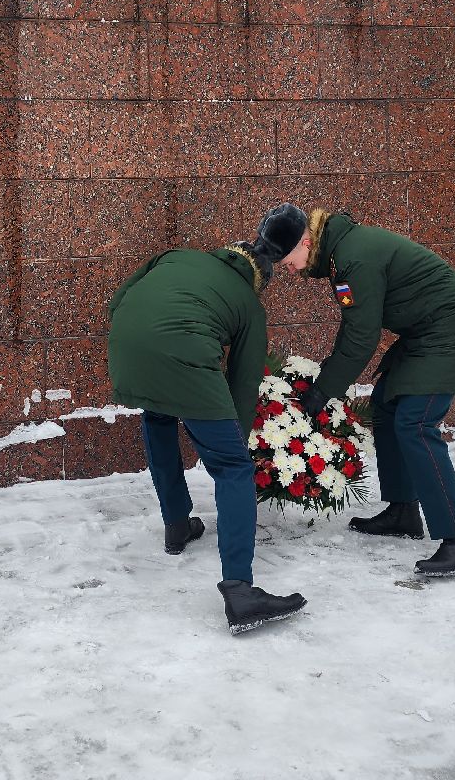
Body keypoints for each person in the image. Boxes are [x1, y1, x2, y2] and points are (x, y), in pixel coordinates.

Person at [256, 203, 455, 578]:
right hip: (426, 332)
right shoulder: (341, 254)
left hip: (451, 331)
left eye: (287, 261)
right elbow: (357, 326)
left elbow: (361, 338)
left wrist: (323, 391)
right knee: (387, 405)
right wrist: (328, 380)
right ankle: (403, 511)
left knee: (416, 425)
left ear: (306, 241)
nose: (290, 269)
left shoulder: (352, 258)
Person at [107, 239, 308, 633]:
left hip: (126, 346)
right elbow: (244, 382)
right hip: (185, 355)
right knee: (233, 468)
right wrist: (236, 440)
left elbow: (118, 302)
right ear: (257, 281)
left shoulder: (173, 256)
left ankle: (177, 525)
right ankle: (240, 590)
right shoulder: (249, 303)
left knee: (158, 416)